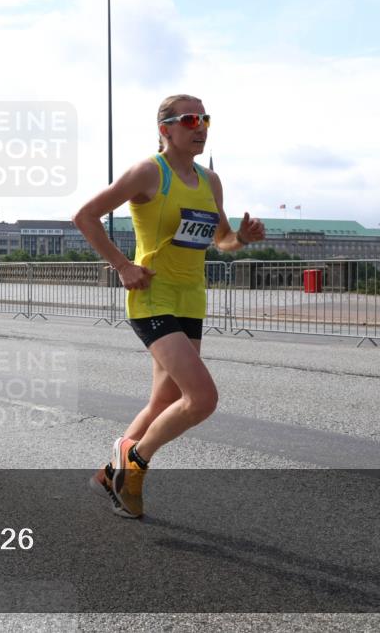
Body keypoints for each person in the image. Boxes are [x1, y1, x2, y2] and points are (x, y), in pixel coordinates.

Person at [72, 94, 265, 518]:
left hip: (191, 296)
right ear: (166, 129)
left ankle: (109, 474)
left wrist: (243, 240)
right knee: (202, 398)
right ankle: (135, 463)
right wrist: (122, 265)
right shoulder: (147, 172)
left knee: (165, 400)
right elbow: (85, 216)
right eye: (190, 119)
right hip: (152, 295)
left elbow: (222, 240)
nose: (200, 127)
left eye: (205, 119)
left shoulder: (211, 181)